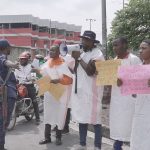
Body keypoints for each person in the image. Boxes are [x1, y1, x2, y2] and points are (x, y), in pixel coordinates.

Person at [71, 30, 104, 150]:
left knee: (96, 120)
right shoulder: (82, 53)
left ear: (92, 42)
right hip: (81, 91)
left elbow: (90, 72)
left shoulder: (98, 54)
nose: (83, 41)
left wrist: (79, 58)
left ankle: (97, 146)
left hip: (93, 92)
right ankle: (82, 144)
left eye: (86, 40)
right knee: (82, 118)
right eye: (83, 39)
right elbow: (74, 71)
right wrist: (75, 59)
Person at [109, 37, 141, 150]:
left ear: (124, 45)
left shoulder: (134, 59)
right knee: (118, 123)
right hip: (117, 98)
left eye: (116, 45)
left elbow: (140, 79)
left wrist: (123, 82)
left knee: (129, 124)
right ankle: (117, 145)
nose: (114, 48)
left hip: (129, 99)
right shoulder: (114, 60)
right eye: (113, 45)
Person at [39, 45, 73, 145]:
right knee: (48, 115)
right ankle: (47, 137)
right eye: (50, 50)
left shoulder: (63, 64)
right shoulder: (46, 64)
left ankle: (58, 138)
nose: (51, 51)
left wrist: (58, 80)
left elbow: (69, 79)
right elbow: (43, 75)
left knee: (60, 115)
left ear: (59, 52)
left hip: (60, 95)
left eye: (53, 50)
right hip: (49, 94)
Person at [130, 39, 150, 150]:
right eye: (140, 48)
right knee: (138, 139)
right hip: (139, 111)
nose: (140, 51)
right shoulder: (138, 68)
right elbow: (134, 94)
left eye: (144, 48)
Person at [0, 39, 19, 150]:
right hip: (6, 95)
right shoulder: (2, 57)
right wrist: (14, 65)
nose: (10, 48)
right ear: (4, 48)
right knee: (4, 121)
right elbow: (5, 62)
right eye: (9, 47)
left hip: (5, 94)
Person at [14, 52, 40, 125]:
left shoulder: (31, 67)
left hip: (29, 85)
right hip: (19, 85)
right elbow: (15, 76)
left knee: (34, 100)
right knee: (14, 97)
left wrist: (30, 79)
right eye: (21, 59)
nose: (22, 60)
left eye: (23, 59)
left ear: (27, 60)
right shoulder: (17, 67)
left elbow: (33, 78)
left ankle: (37, 118)